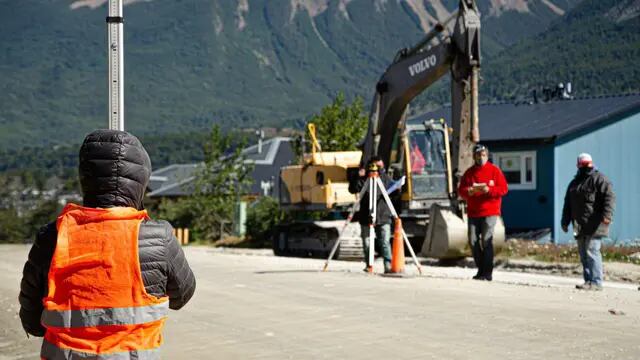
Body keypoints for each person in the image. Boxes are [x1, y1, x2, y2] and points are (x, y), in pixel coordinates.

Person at [19, 130, 196, 358]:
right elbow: (182, 295)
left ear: (86, 177)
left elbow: (32, 320)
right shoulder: (158, 237)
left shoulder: (52, 236)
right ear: (140, 179)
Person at [561, 153, 615, 291]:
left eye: (587, 164)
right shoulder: (574, 183)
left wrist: (607, 215)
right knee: (583, 254)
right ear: (578, 165)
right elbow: (568, 203)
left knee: (592, 251)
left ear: (592, 163)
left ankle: (596, 282)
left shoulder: (600, 179)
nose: (586, 167)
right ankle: (588, 281)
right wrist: (565, 221)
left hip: (595, 223)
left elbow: (609, 198)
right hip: (579, 224)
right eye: (583, 164)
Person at [458, 144, 508, 281]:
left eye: (484, 154)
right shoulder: (469, 173)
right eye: (479, 155)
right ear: (474, 156)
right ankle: (481, 270)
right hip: (473, 213)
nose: (482, 157)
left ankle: (487, 273)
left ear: (487, 155)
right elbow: (461, 191)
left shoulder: (494, 171)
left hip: (490, 212)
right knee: (473, 241)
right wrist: (468, 191)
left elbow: (503, 189)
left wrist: (489, 191)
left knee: (486, 240)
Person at [349, 155, 393, 273]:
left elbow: (393, 192)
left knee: (384, 242)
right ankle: (369, 264)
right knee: (367, 242)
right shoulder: (364, 179)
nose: (378, 168)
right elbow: (352, 189)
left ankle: (388, 265)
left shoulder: (384, 178)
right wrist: (358, 176)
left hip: (383, 215)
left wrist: (398, 188)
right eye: (377, 165)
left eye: (380, 166)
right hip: (366, 216)